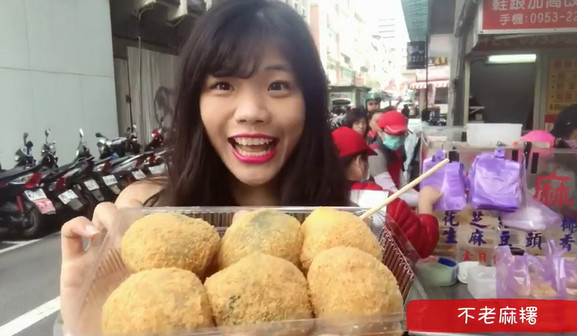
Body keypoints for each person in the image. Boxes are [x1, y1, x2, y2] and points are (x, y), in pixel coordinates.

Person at [58, 1, 350, 334]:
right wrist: (85, 316)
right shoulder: (141, 212)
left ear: (310, 102)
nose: (251, 111)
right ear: (195, 100)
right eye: (223, 85)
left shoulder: (340, 228)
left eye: (277, 85)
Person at [331, 127, 440, 257]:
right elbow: (423, 245)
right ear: (359, 162)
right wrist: (425, 203)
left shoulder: (310, 197)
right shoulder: (383, 201)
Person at [368, 111, 419, 205]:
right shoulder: (375, 154)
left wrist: (422, 197)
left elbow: (403, 186)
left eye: (402, 134)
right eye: (394, 134)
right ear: (380, 132)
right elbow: (390, 195)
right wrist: (424, 200)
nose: (398, 138)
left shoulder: (395, 152)